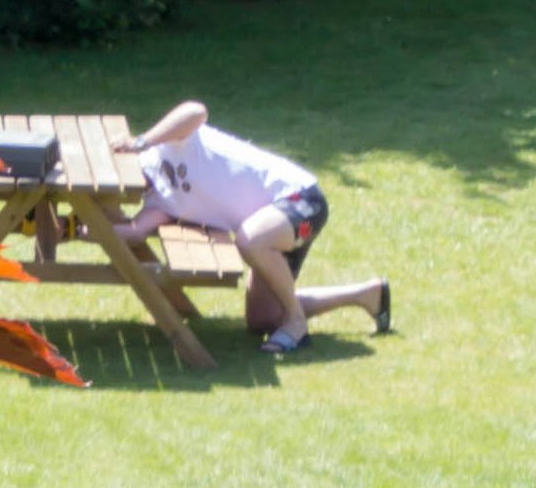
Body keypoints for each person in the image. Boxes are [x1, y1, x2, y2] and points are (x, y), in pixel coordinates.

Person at [110, 102, 389, 354]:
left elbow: (196, 111)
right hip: (273, 228)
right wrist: (78, 229)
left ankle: (296, 322)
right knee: (262, 319)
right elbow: (134, 232)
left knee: (249, 241)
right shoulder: (159, 203)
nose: (126, 188)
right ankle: (367, 295)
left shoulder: (169, 143)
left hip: (301, 200)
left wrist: (141, 141)